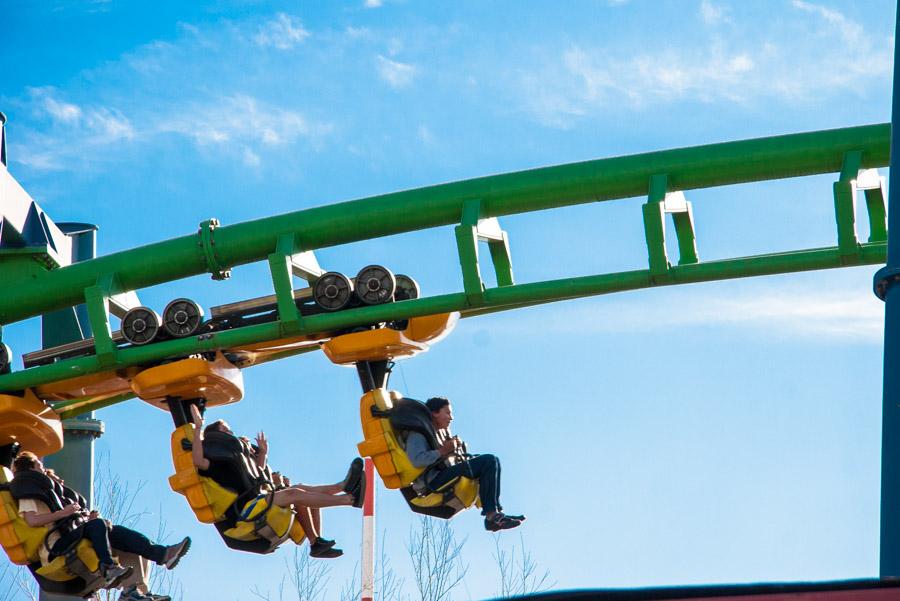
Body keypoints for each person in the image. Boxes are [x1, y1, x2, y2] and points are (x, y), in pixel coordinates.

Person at [188, 404, 364, 558]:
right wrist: (198, 429)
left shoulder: (239, 461)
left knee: (299, 489)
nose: (231, 433)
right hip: (243, 513)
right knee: (293, 494)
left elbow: (258, 475)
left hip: (258, 501)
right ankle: (349, 499)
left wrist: (262, 453)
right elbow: (198, 461)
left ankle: (319, 536)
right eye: (226, 430)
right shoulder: (217, 462)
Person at [11, 452, 190, 600]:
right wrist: (64, 513)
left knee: (122, 539)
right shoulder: (29, 491)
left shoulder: (51, 494)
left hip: (69, 536)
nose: (44, 469)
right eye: (39, 465)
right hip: (55, 548)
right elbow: (31, 520)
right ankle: (108, 567)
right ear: (32, 467)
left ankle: (154, 565)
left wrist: (85, 519)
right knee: (98, 525)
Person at [402, 396, 525, 531]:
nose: (451, 417)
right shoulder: (419, 433)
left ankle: (495, 513)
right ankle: (492, 516)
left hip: (441, 475)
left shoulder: (438, 434)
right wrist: (443, 450)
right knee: (488, 461)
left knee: (493, 461)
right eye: (447, 413)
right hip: (431, 482)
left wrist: (451, 451)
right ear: (435, 413)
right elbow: (417, 460)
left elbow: (440, 459)